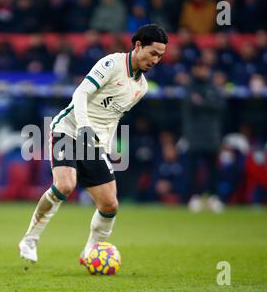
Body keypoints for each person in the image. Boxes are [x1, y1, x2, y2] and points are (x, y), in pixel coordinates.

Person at [19, 24, 168, 264]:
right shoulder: (111, 64)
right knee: (65, 186)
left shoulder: (141, 87)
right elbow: (80, 94)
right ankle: (30, 239)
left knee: (109, 205)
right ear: (138, 45)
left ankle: (91, 251)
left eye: (160, 56)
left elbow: (112, 118)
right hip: (69, 129)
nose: (156, 60)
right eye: (153, 53)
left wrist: (104, 146)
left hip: (95, 143)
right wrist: (84, 126)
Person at [182, 61, 226, 212]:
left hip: (212, 135)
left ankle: (213, 197)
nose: (203, 71)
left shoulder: (213, 87)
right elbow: (191, 105)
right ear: (194, 70)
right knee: (193, 169)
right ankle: (195, 197)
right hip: (194, 135)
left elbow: (220, 106)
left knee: (213, 169)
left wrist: (202, 103)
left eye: (205, 68)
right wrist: (209, 104)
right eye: (200, 68)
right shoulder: (189, 88)